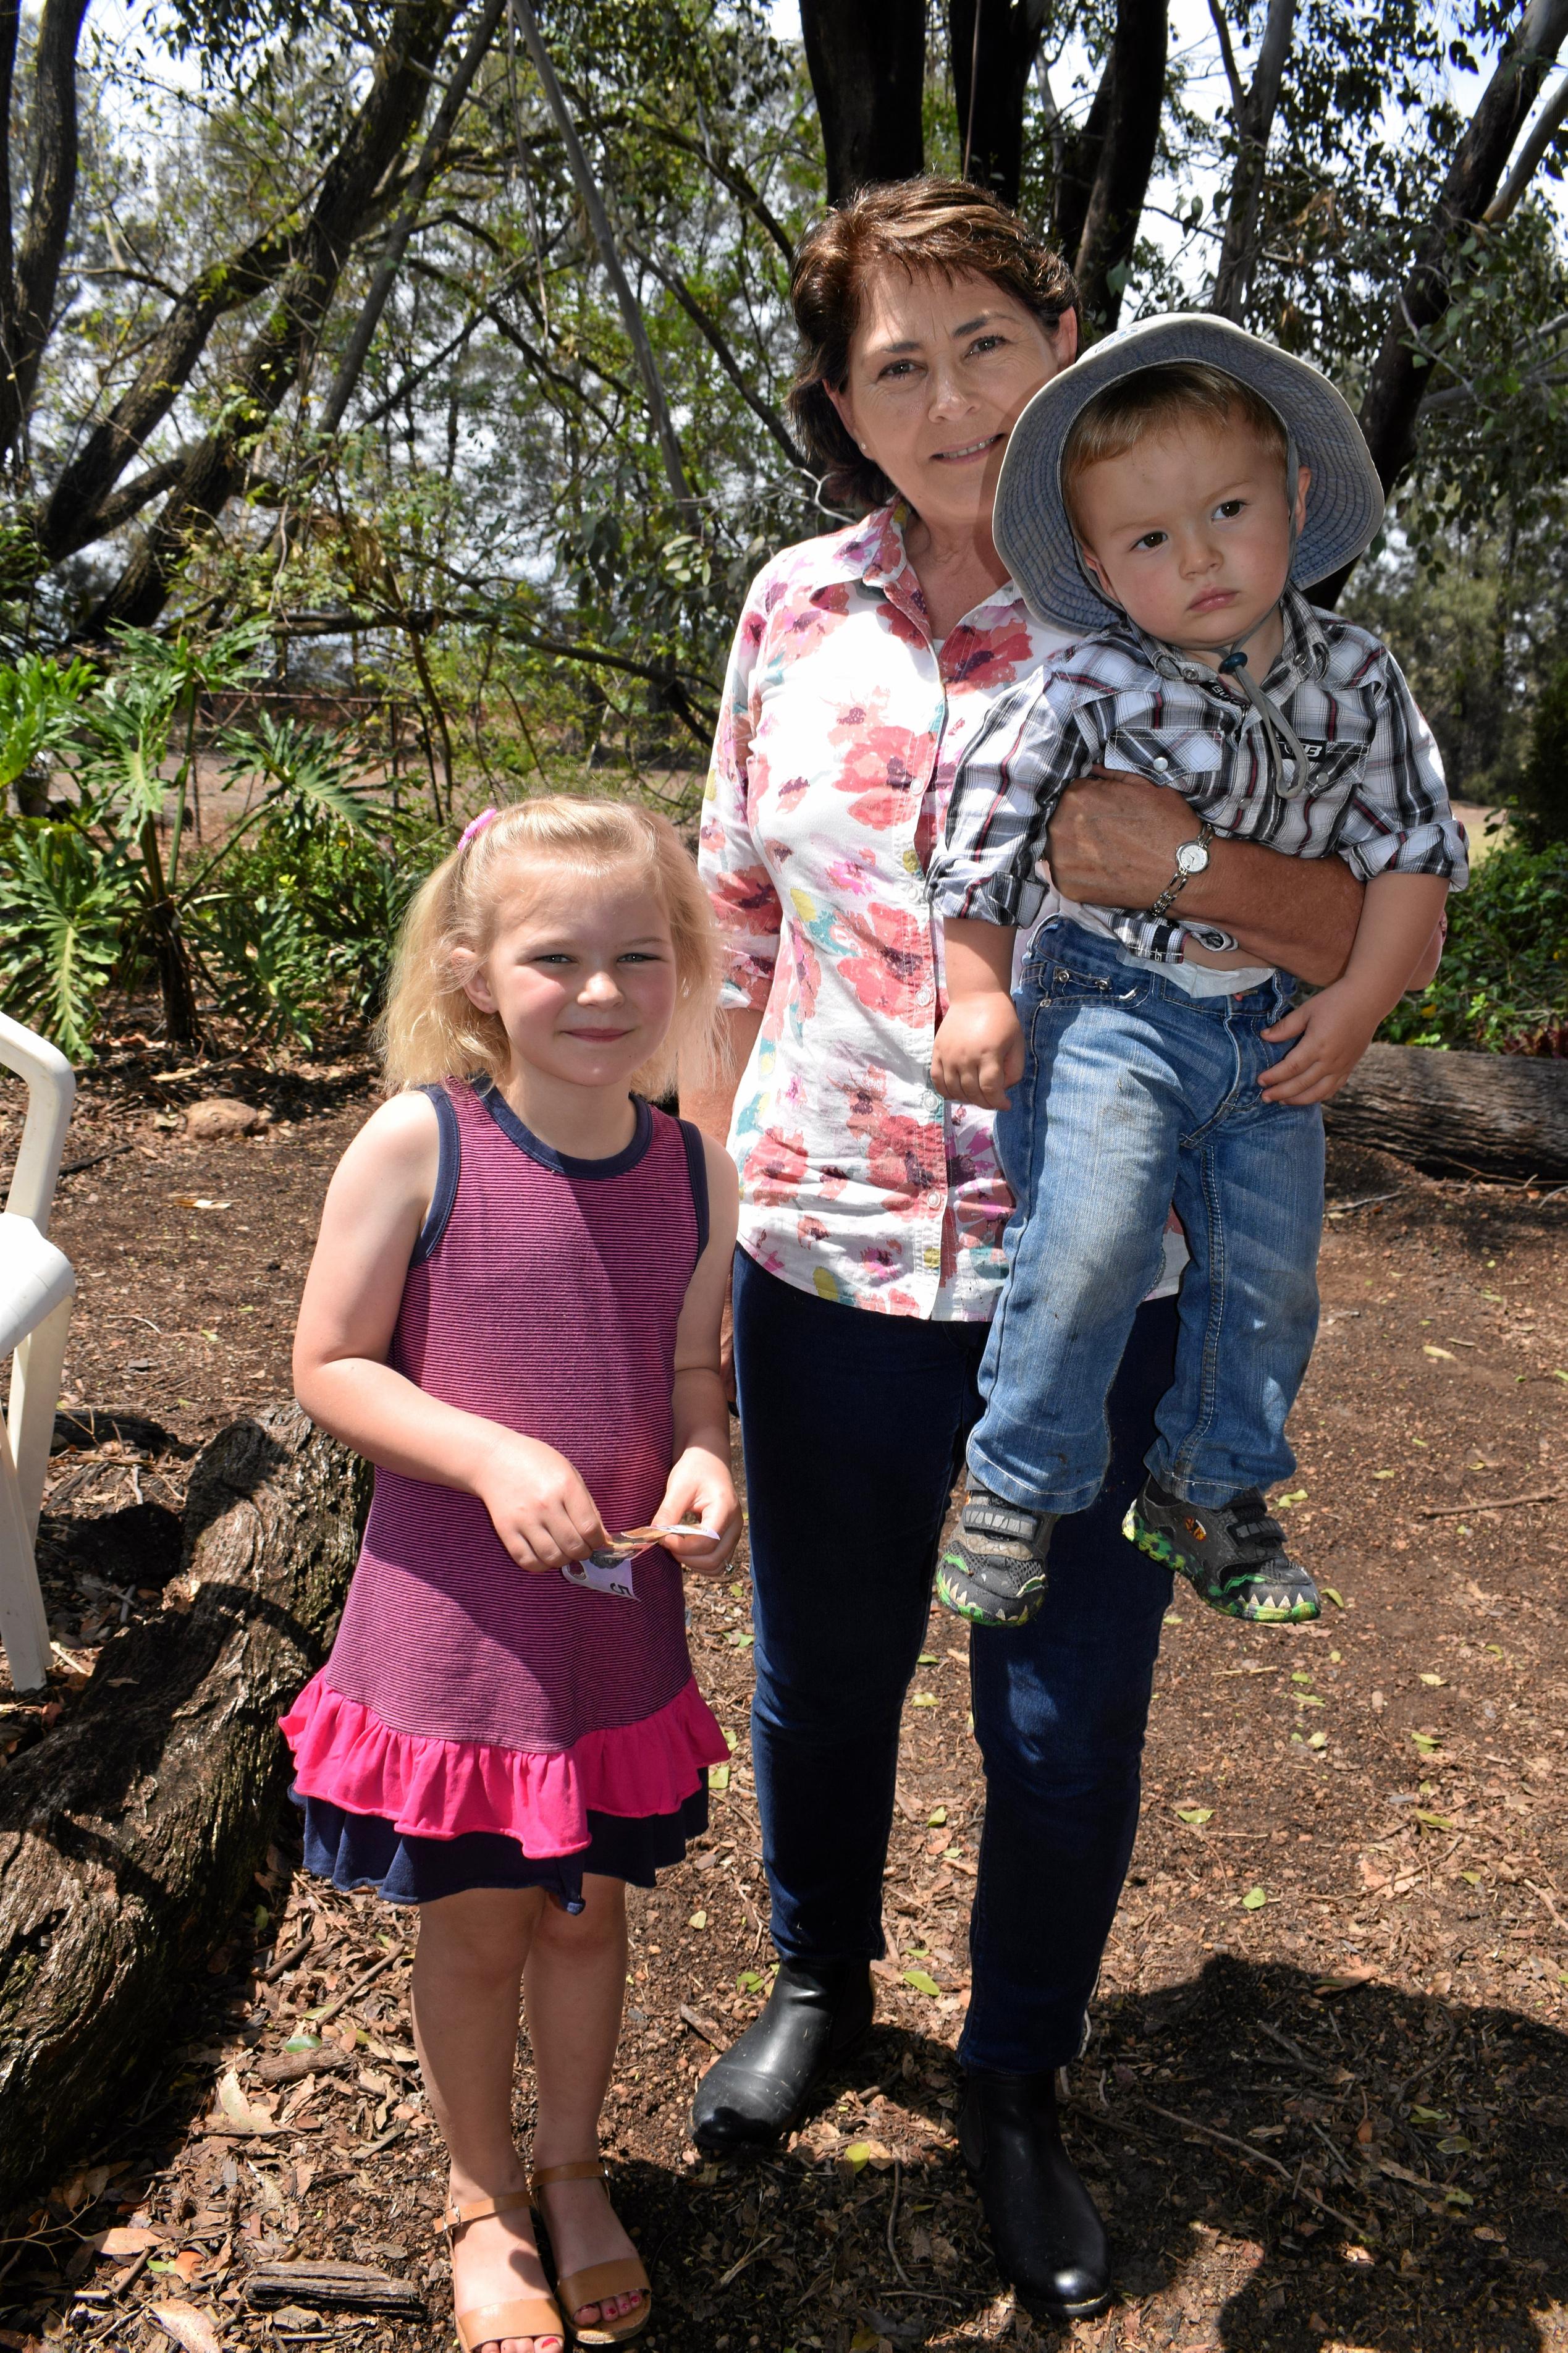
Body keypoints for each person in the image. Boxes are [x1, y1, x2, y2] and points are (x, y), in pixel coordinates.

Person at [683, 180, 1441, 2323]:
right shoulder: (786, 614)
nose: (943, 398)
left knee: (1058, 1710)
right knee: (820, 1672)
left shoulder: (1190, 589)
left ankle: (1015, 2076)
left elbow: (1364, 913)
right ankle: (819, 1982)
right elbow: (736, 940)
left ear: (1063, 338)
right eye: (890, 365)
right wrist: (692, 1246)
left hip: (1105, 1277)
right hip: (825, 1256)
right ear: (838, 406)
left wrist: (1181, 856)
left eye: (983, 343)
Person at [285, 798, 741, 2353]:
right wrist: (488, 1454)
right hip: (461, 1631)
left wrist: (704, 1453)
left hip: (610, 1640)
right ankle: (482, 2197)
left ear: (682, 968)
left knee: (586, 1919)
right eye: (559, 958)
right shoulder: (426, 1139)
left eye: (638, 956)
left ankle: (571, 2163)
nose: (602, 993)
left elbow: (690, 1362)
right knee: (482, 1925)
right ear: (478, 972)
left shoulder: (690, 1165)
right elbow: (330, 1364)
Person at [929, 317, 1465, 1634]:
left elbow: (1414, 860)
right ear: (1103, 572)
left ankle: (1207, 1489)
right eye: (1150, 539)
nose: (1201, 555)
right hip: (1111, 999)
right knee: (1095, 1235)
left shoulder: (1361, 678)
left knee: (1273, 1275)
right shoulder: (1092, 681)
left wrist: (1356, 1005)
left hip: (1275, 1023)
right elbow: (986, 826)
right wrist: (977, 987)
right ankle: (1014, 1481)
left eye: (1227, 509)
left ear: (1292, 497)